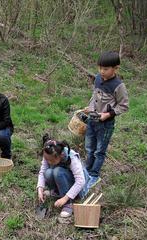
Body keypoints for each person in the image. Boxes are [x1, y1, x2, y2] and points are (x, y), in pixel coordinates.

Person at [85, 51, 129, 189]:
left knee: (99, 151)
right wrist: (90, 107)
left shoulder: (118, 86)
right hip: (92, 120)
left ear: (115, 68)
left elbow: (124, 106)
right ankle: (87, 169)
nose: (101, 71)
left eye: (105, 69)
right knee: (89, 147)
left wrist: (108, 114)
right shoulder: (98, 78)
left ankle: (94, 175)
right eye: (100, 68)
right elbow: (95, 95)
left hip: (105, 124)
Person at [37, 135, 89, 219]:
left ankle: (68, 203)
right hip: (62, 178)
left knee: (58, 171)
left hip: (76, 186)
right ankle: (57, 192)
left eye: (51, 160)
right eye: (47, 160)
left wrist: (65, 198)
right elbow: (42, 171)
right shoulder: (48, 153)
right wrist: (40, 188)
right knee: (48, 172)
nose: (48, 162)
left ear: (60, 155)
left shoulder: (71, 157)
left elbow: (80, 181)